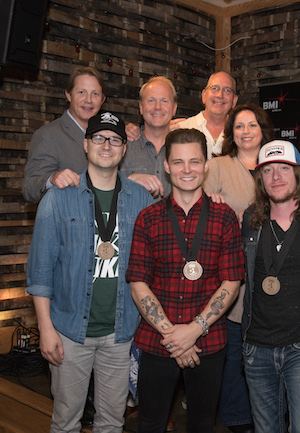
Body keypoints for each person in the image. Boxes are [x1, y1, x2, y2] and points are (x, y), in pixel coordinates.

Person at [26, 111, 153, 433]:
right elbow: (40, 271)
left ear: (124, 148)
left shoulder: (141, 200)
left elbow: (150, 265)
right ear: (86, 144)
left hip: (122, 332)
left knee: (111, 422)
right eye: (99, 138)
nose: (106, 145)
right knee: (66, 421)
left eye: (114, 140)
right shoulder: (57, 198)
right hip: (69, 332)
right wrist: (46, 329)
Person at [125, 128, 245, 433]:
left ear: (206, 165)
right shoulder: (148, 218)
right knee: (150, 423)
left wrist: (193, 330)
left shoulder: (225, 217)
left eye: (194, 162)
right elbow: (138, 282)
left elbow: (231, 282)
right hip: (157, 341)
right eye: (178, 162)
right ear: (166, 166)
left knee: (202, 425)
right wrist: (174, 335)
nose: (187, 170)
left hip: (209, 340)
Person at [241, 140, 300, 433]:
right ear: (260, 179)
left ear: (298, 174)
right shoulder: (250, 221)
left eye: (284, 168)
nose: (276, 177)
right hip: (256, 346)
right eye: (268, 170)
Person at [203, 103, 274, 433]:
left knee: (265, 354)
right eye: (240, 126)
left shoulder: (277, 165)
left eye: (253, 125)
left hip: (273, 271)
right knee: (233, 355)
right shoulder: (218, 166)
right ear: (231, 133)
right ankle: (236, 419)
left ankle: (270, 415)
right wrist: (211, 202)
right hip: (230, 272)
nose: (246, 131)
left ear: (263, 129)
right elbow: (199, 207)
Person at [24, 66, 106, 203]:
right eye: (81, 92)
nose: (89, 100)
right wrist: (52, 179)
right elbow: (29, 189)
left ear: (102, 100)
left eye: (95, 94)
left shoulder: (108, 137)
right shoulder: (48, 135)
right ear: (68, 95)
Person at [120, 76, 177, 200]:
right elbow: (105, 187)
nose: (157, 107)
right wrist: (128, 182)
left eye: (164, 101)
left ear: (174, 108)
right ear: (141, 107)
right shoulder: (123, 146)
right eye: (151, 100)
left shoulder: (182, 150)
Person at [178, 71, 238, 157]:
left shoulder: (240, 134)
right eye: (214, 88)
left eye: (227, 90)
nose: (220, 95)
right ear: (204, 95)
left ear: (234, 100)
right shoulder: (182, 129)